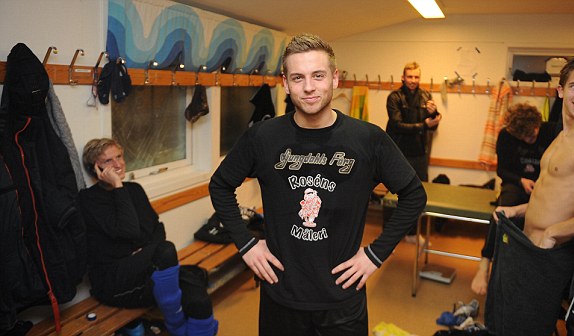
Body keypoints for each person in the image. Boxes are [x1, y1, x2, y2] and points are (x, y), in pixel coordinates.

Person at [209, 33, 426, 336]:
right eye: (297, 77)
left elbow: (414, 195)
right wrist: (246, 244)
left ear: (335, 79)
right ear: (285, 82)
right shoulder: (263, 137)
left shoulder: (368, 139)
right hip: (279, 296)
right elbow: (220, 185)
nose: (308, 87)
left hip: (342, 300)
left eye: (318, 75)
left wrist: (375, 254)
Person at [484, 57, 574, 335]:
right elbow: (554, 194)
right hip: (528, 245)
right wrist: (518, 210)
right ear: (560, 91)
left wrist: (554, 232)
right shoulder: (562, 135)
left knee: (529, 327)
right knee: (509, 321)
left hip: (549, 253)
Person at [78, 138, 218, 336]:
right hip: (115, 282)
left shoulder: (134, 190)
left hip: (147, 271)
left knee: (199, 301)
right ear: (96, 168)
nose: (118, 164)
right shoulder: (88, 199)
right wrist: (118, 186)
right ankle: (175, 324)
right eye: (108, 161)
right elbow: (129, 231)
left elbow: (156, 229)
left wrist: (143, 252)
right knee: (167, 252)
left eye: (119, 157)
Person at [470, 102, 560, 295]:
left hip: (546, 185)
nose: (530, 139)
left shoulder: (551, 130)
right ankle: (485, 263)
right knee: (501, 212)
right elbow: (501, 170)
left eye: (533, 134)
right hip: (516, 184)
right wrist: (521, 180)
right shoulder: (506, 136)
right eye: (525, 137)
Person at [386, 61, 441, 243]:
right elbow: (397, 125)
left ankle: (412, 234)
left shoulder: (426, 96)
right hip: (397, 152)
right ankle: (388, 239)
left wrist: (435, 114)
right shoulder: (394, 97)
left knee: (418, 195)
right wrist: (424, 125)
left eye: (416, 77)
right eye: (409, 76)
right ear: (403, 77)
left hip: (419, 153)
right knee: (393, 196)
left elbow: (432, 125)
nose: (413, 80)